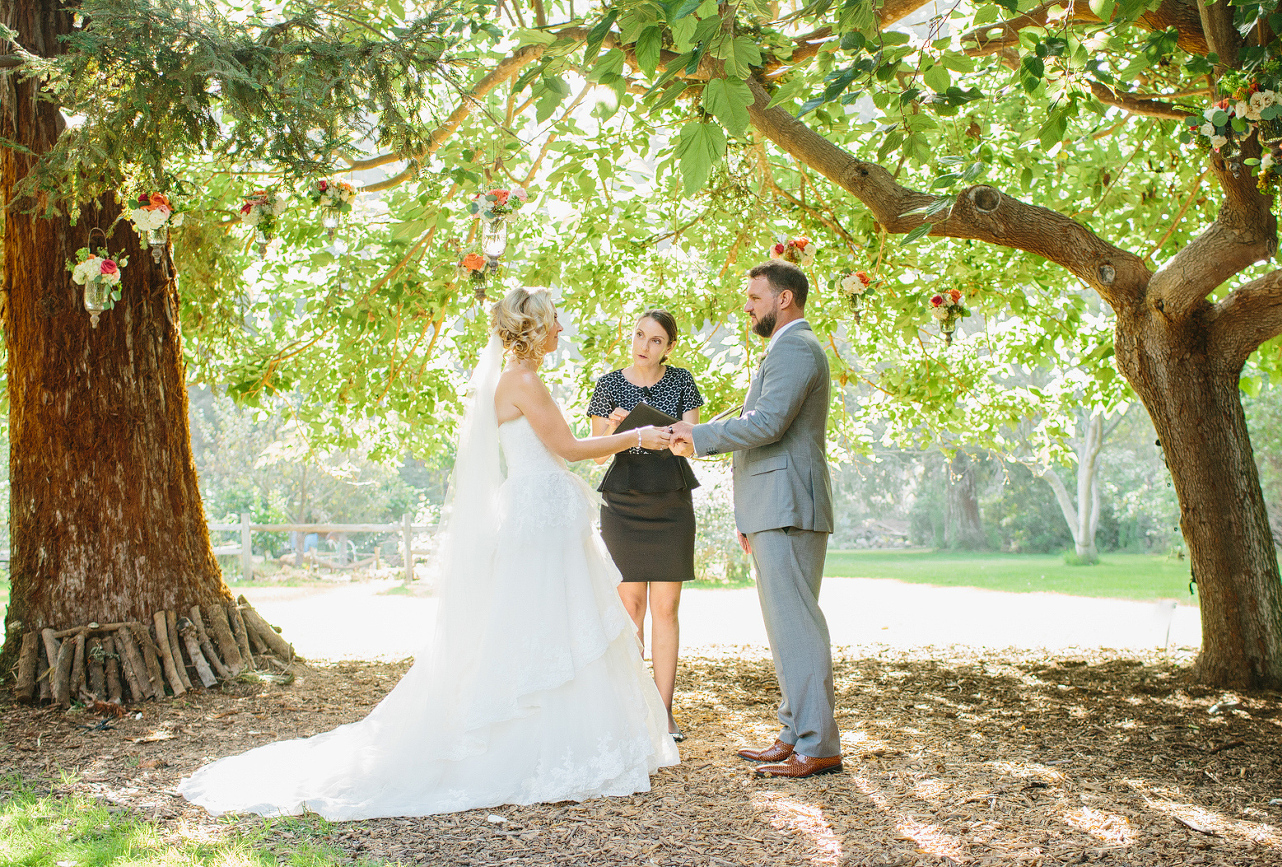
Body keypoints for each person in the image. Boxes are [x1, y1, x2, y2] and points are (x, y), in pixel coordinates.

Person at [179, 288, 679, 819]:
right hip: (540, 515)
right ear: (534, 330)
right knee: (543, 621)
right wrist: (638, 435)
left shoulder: (517, 379)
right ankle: (538, 746)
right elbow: (571, 449)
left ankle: (568, 741)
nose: (561, 330)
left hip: (544, 513)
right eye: (555, 322)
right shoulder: (523, 381)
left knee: (551, 622)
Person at [669, 259, 841, 779]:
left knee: (797, 627)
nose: (747, 305)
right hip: (775, 505)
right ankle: (794, 735)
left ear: (783, 298)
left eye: (754, 296)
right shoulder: (788, 348)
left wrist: (696, 437)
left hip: (788, 505)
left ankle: (818, 744)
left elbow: (766, 424)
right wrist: (749, 514)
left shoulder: (795, 347)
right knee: (785, 626)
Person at [587, 310, 703, 743]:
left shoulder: (682, 381)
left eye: (656, 340)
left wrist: (663, 428)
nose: (644, 345)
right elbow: (596, 454)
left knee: (667, 610)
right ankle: (635, 710)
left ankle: (664, 712)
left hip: (671, 501)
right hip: (623, 502)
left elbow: (692, 443)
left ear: (669, 347)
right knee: (630, 607)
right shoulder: (608, 384)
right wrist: (618, 429)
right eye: (639, 335)